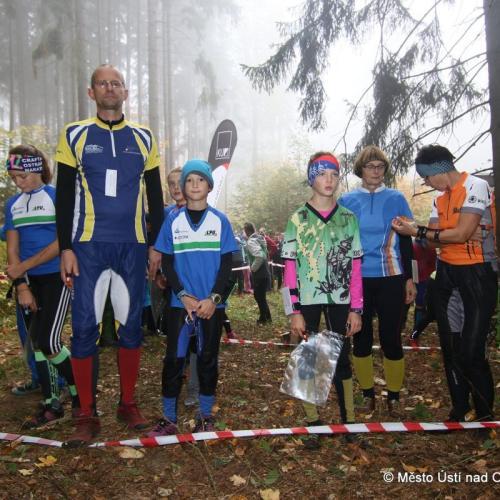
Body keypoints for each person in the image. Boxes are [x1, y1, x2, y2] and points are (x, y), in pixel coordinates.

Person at [55, 64, 164, 445]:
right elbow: (64, 196)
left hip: (132, 247)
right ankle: (86, 412)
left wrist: (155, 245)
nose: (110, 88)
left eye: (116, 83)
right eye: (102, 83)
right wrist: (65, 247)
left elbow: (155, 196)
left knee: (131, 327)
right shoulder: (75, 134)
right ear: (92, 92)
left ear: (126, 92)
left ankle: (127, 403)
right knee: (85, 328)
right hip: (88, 247)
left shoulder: (144, 137)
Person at [392, 144, 497, 422]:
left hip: (477, 274)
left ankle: (484, 413)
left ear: (439, 169)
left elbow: (458, 234)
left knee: (471, 350)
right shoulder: (440, 199)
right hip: (447, 274)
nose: (427, 183)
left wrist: (431, 232)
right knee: (450, 348)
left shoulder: (475, 186)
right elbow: (432, 240)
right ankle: (459, 408)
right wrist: (446, 233)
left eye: (426, 177)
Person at [148, 159, 238, 436]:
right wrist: (182, 295)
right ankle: (169, 418)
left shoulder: (220, 221)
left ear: (209, 186)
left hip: (211, 305)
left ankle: (205, 415)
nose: (194, 184)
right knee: (174, 360)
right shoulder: (173, 221)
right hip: (180, 304)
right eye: (189, 180)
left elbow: (228, 267)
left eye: (200, 180)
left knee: (208, 358)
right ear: (183, 187)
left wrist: (214, 299)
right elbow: (167, 263)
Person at [282, 152, 363, 449]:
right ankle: (313, 422)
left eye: (334, 174)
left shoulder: (349, 219)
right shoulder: (297, 219)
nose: (329, 180)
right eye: (322, 174)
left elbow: (356, 267)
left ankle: (349, 421)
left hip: (341, 300)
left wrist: (357, 308)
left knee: (342, 359)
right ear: (311, 178)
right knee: (309, 358)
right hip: (307, 300)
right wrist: (294, 311)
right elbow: (289, 269)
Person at [4, 145, 79, 426]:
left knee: (49, 341)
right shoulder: (12, 204)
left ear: (38, 170)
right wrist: (22, 285)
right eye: (13, 178)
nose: (18, 182)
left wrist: (23, 266)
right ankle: (52, 403)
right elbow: (13, 249)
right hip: (30, 282)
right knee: (37, 343)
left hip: (57, 277)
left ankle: (81, 393)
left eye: (22, 176)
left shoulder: (56, 197)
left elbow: (62, 242)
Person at [339, 145, 416, 417]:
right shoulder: (347, 200)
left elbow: (407, 241)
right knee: (360, 339)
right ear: (360, 169)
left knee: (390, 338)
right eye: (370, 166)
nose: (376, 171)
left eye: (380, 166)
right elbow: (340, 243)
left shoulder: (396, 198)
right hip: (358, 279)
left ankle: (394, 396)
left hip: (392, 277)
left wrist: (411, 278)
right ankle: (367, 394)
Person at [244, 222, 272, 325]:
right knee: (261, 296)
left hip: (259, 272)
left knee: (259, 296)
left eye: (244, 231)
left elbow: (260, 256)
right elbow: (265, 254)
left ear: (247, 230)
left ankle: (263, 319)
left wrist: (253, 268)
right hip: (264, 270)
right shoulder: (259, 238)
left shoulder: (251, 241)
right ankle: (267, 317)